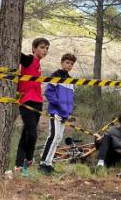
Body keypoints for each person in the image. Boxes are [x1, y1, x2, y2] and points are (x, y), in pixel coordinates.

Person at [15, 37, 50, 174]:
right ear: (34, 48)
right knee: (32, 134)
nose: (45, 50)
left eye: (47, 48)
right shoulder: (29, 59)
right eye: (42, 47)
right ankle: (29, 160)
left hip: (38, 102)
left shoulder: (39, 64)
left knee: (26, 135)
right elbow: (17, 54)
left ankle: (19, 166)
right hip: (26, 101)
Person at [39, 53, 76, 175]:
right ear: (62, 62)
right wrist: (59, 106)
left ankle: (49, 163)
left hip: (65, 114)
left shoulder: (71, 80)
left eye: (71, 64)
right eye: (67, 63)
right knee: (53, 136)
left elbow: (71, 98)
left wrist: (68, 112)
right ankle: (43, 163)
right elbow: (49, 93)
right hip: (55, 112)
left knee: (58, 138)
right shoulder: (55, 76)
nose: (69, 65)